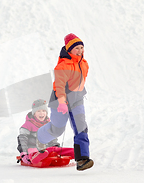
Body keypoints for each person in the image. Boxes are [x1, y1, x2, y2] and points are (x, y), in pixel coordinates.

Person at [37, 33, 94, 171]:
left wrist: (77, 96)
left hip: (77, 98)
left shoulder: (84, 64)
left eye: (81, 47)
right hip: (59, 100)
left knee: (81, 126)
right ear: (69, 50)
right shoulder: (63, 66)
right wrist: (62, 102)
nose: (80, 51)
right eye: (77, 48)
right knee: (57, 129)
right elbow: (59, 86)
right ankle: (39, 138)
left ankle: (82, 159)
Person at [17, 99, 74, 165]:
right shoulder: (27, 125)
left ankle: (76, 153)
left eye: (43, 111)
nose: (41, 113)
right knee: (35, 151)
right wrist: (24, 153)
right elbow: (22, 140)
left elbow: (52, 138)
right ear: (34, 113)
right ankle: (35, 157)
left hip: (47, 149)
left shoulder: (48, 124)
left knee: (56, 150)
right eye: (38, 111)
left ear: (46, 113)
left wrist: (56, 146)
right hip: (33, 149)